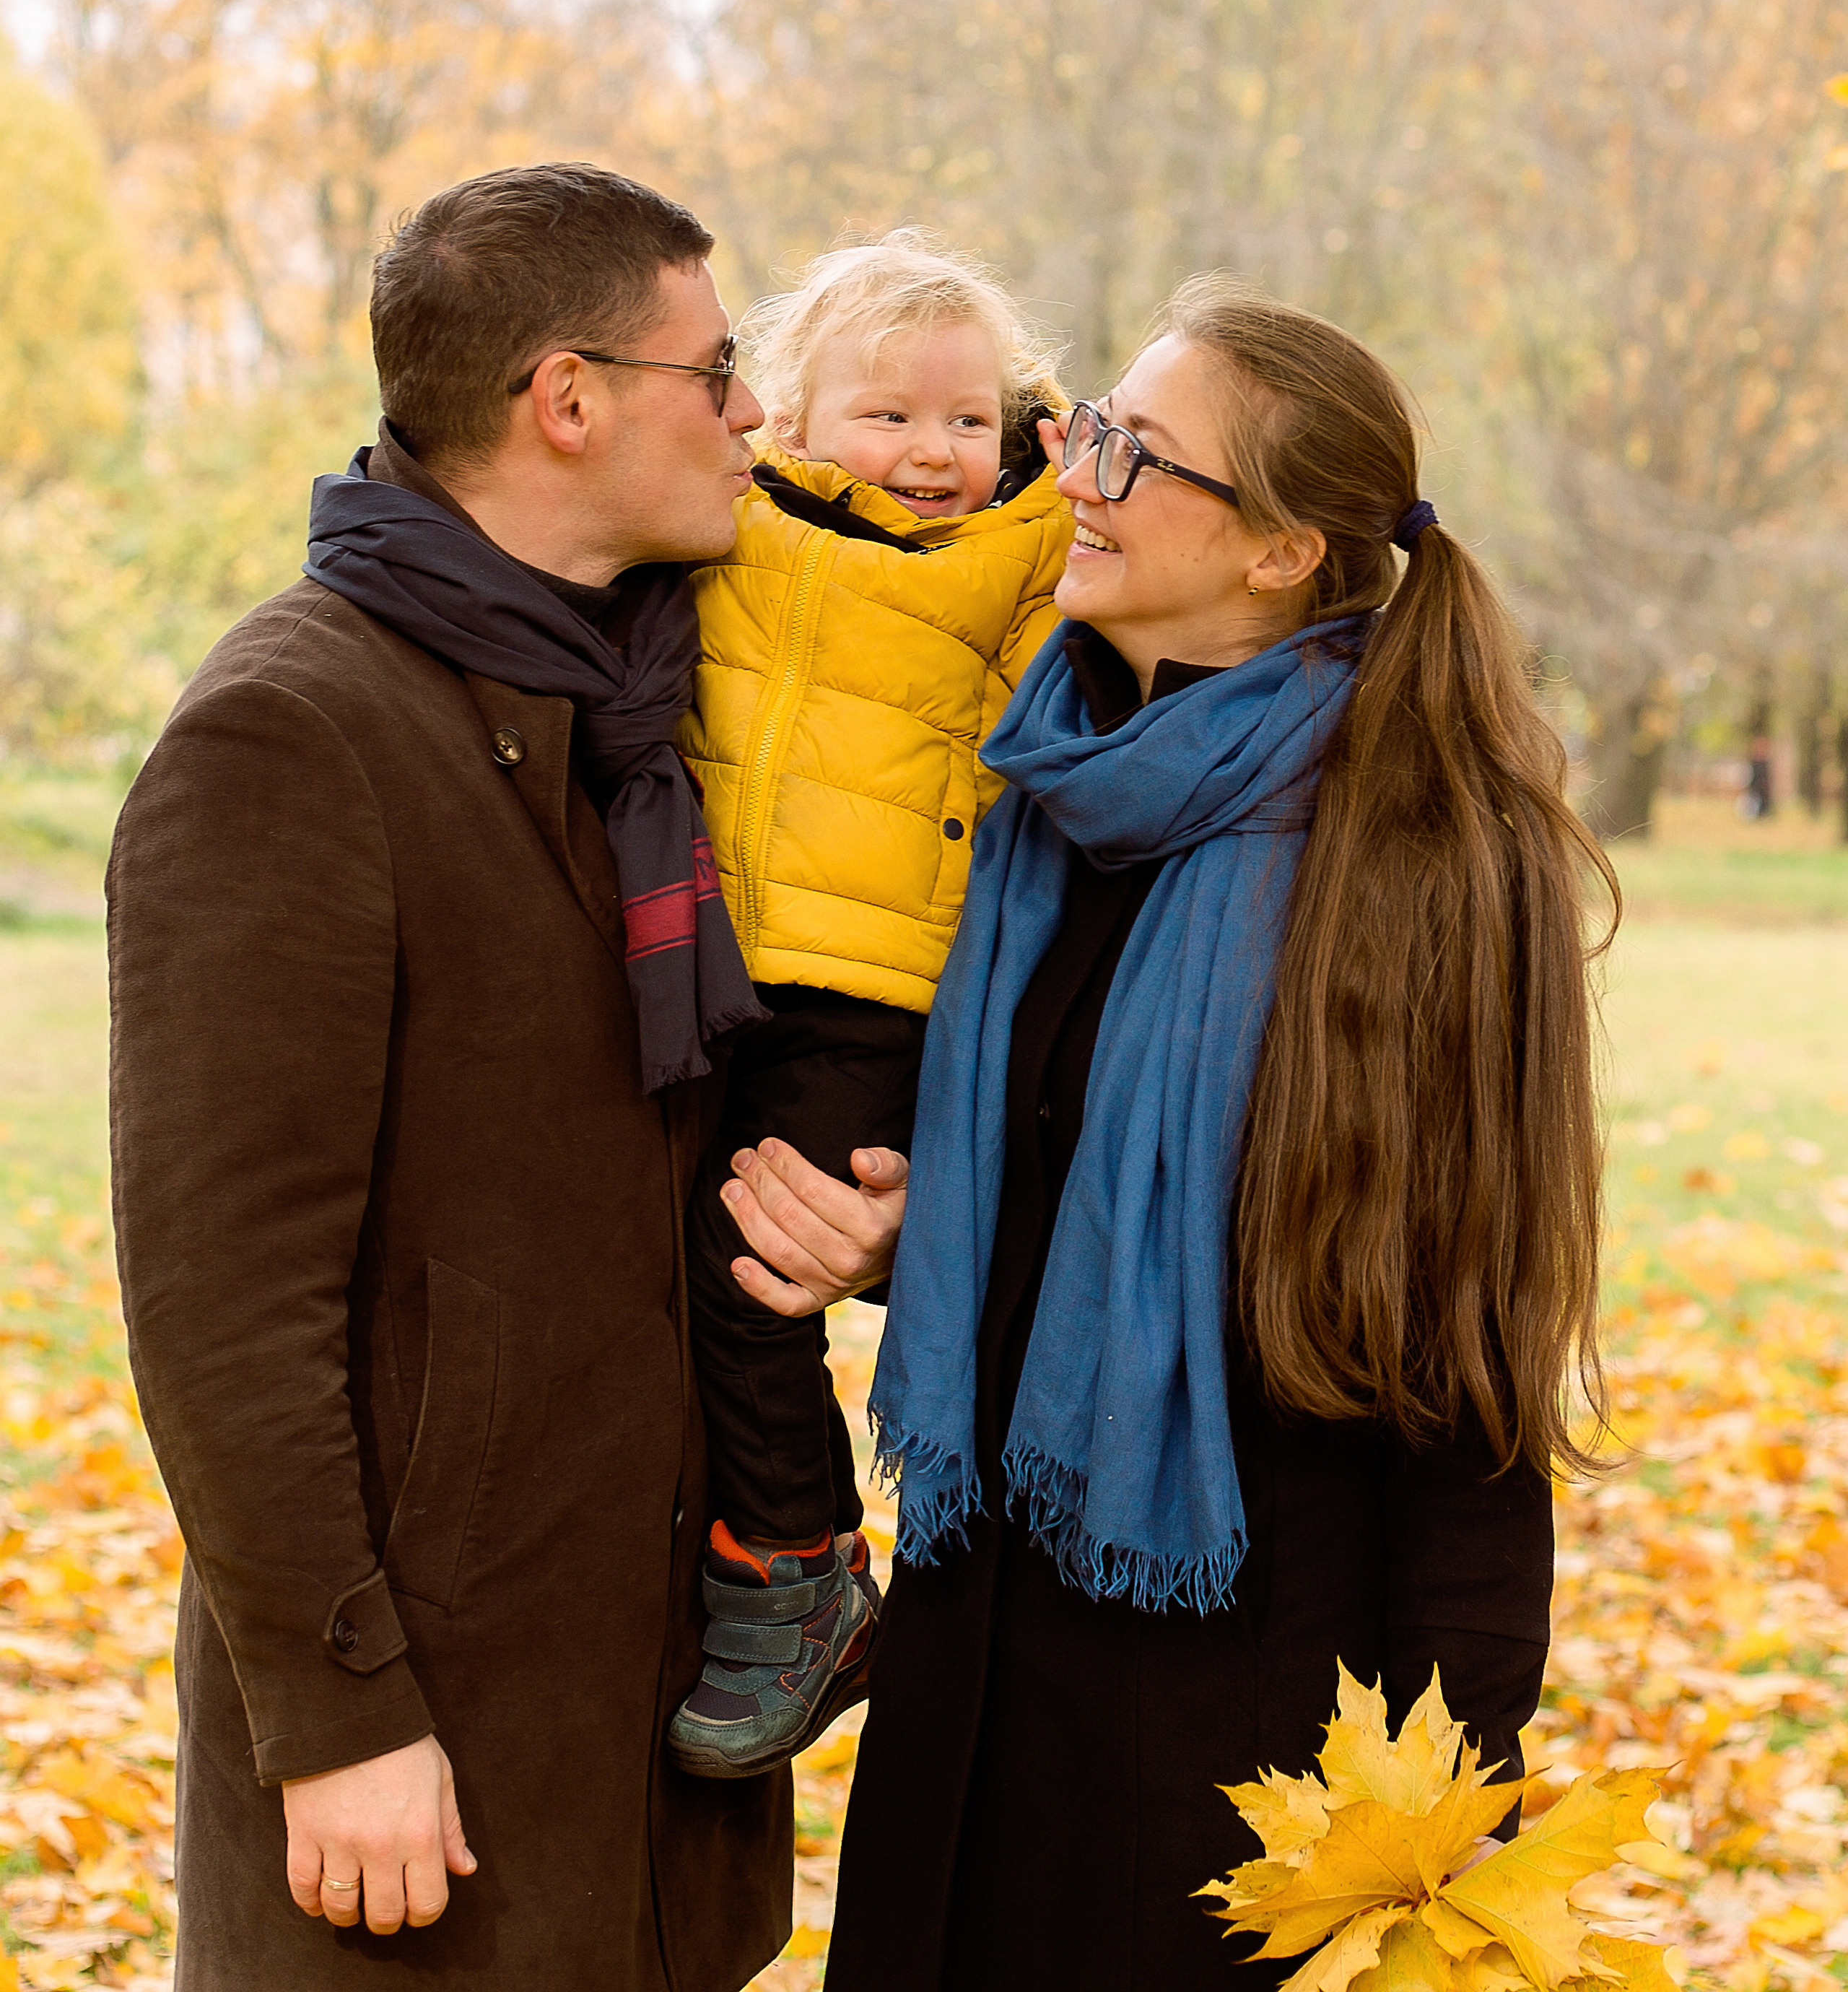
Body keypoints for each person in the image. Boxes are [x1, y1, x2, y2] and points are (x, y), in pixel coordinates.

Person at [106, 162, 903, 1990]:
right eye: (714, 372)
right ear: (568, 400)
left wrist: (844, 1215)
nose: (755, 413)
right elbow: (221, 1298)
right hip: (422, 1734)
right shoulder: (291, 733)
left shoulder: (644, 711)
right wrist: (335, 1716)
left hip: (640, 1703)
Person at [825, 280, 1615, 1992]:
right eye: (1086, 425)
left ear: (1277, 553)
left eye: (1135, 451)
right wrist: (911, 1230)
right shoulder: (1041, 790)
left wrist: (1439, 1804)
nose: (1074, 472)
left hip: (1253, 1691)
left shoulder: (1419, 854)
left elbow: (1461, 1353)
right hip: (976, 1650)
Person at [667, 232, 1071, 1778]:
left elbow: (1083, 584)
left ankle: (801, 1563)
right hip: (717, 979)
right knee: (679, 1251)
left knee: (751, 1270)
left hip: (881, 994)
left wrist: (1052, 450)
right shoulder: (734, 533)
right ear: (790, 413)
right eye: (888, 415)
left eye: (966, 420)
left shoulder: (1012, 561)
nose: (929, 454)